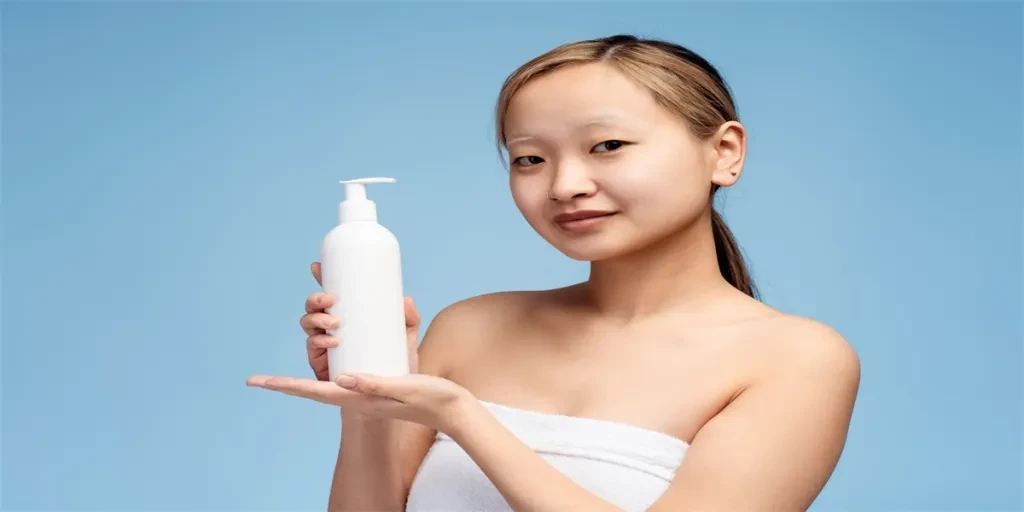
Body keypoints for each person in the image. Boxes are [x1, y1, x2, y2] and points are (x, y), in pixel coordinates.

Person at [247, 33, 861, 511]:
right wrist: (366, 403)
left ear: (723, 153)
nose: (565, 185)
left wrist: (462, 418)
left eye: (608, 146)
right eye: (530, 158)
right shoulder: (471, 327)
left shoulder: (794, 358)